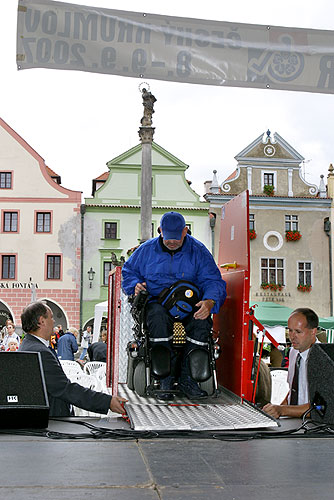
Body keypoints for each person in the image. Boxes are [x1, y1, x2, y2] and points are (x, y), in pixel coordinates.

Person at [122, 211, 226, 400]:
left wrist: (210, 301)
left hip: (189, 304)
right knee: (157, 317)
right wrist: (134, 285)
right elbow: (128, 272)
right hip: (157, 304)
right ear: (160, 231)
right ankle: (165, 378)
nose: (171, 242)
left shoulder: (198, 251)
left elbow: (213, 280)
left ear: (185, 231)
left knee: (201, 323)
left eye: (176, 238)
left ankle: (189, 379)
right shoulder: (146, 251)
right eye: (168, 238)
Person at [19, 301, 125, 417]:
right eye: (51, 317)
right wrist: (107, 402)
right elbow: (65, 389)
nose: (53, 321)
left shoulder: (29, 345)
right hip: (54, 421)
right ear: (41, 321)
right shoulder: (41, 352)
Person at [263, 308, 319, 419]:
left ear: (313, 331)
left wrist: (282, 410)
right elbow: (293, 390)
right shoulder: (293, 352)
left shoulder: (323, 359)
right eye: (290, 330)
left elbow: (320, 407)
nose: (292, 336)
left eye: (298, 331)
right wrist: (275, 410)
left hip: (314, 426)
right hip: (295, 421)